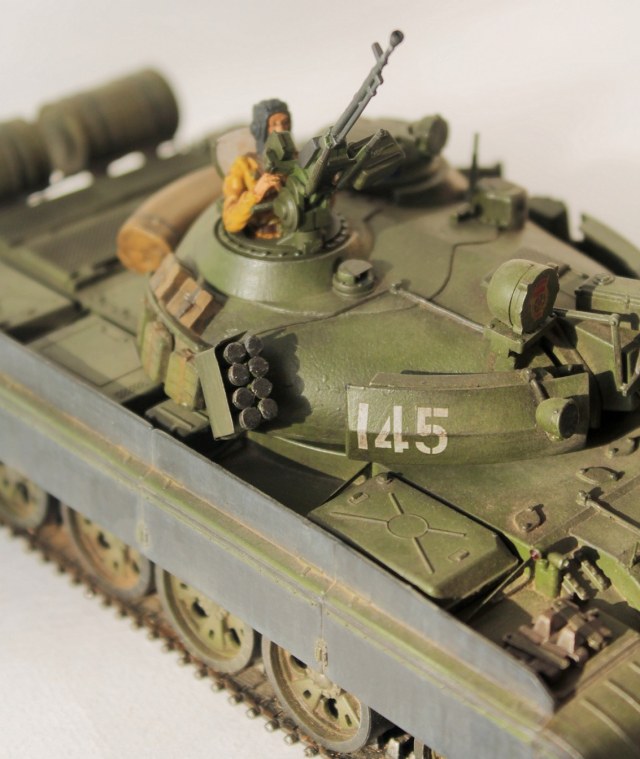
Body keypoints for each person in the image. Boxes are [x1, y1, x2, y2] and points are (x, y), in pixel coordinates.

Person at [222, 99, 291, 238]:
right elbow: (230, 221)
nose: (281, 130)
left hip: (294, 228)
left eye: (285, 123)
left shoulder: (296, 158)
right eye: (274, 124)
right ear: (261, 129)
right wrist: (256, 193)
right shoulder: (243, 166)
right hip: (263, 235)